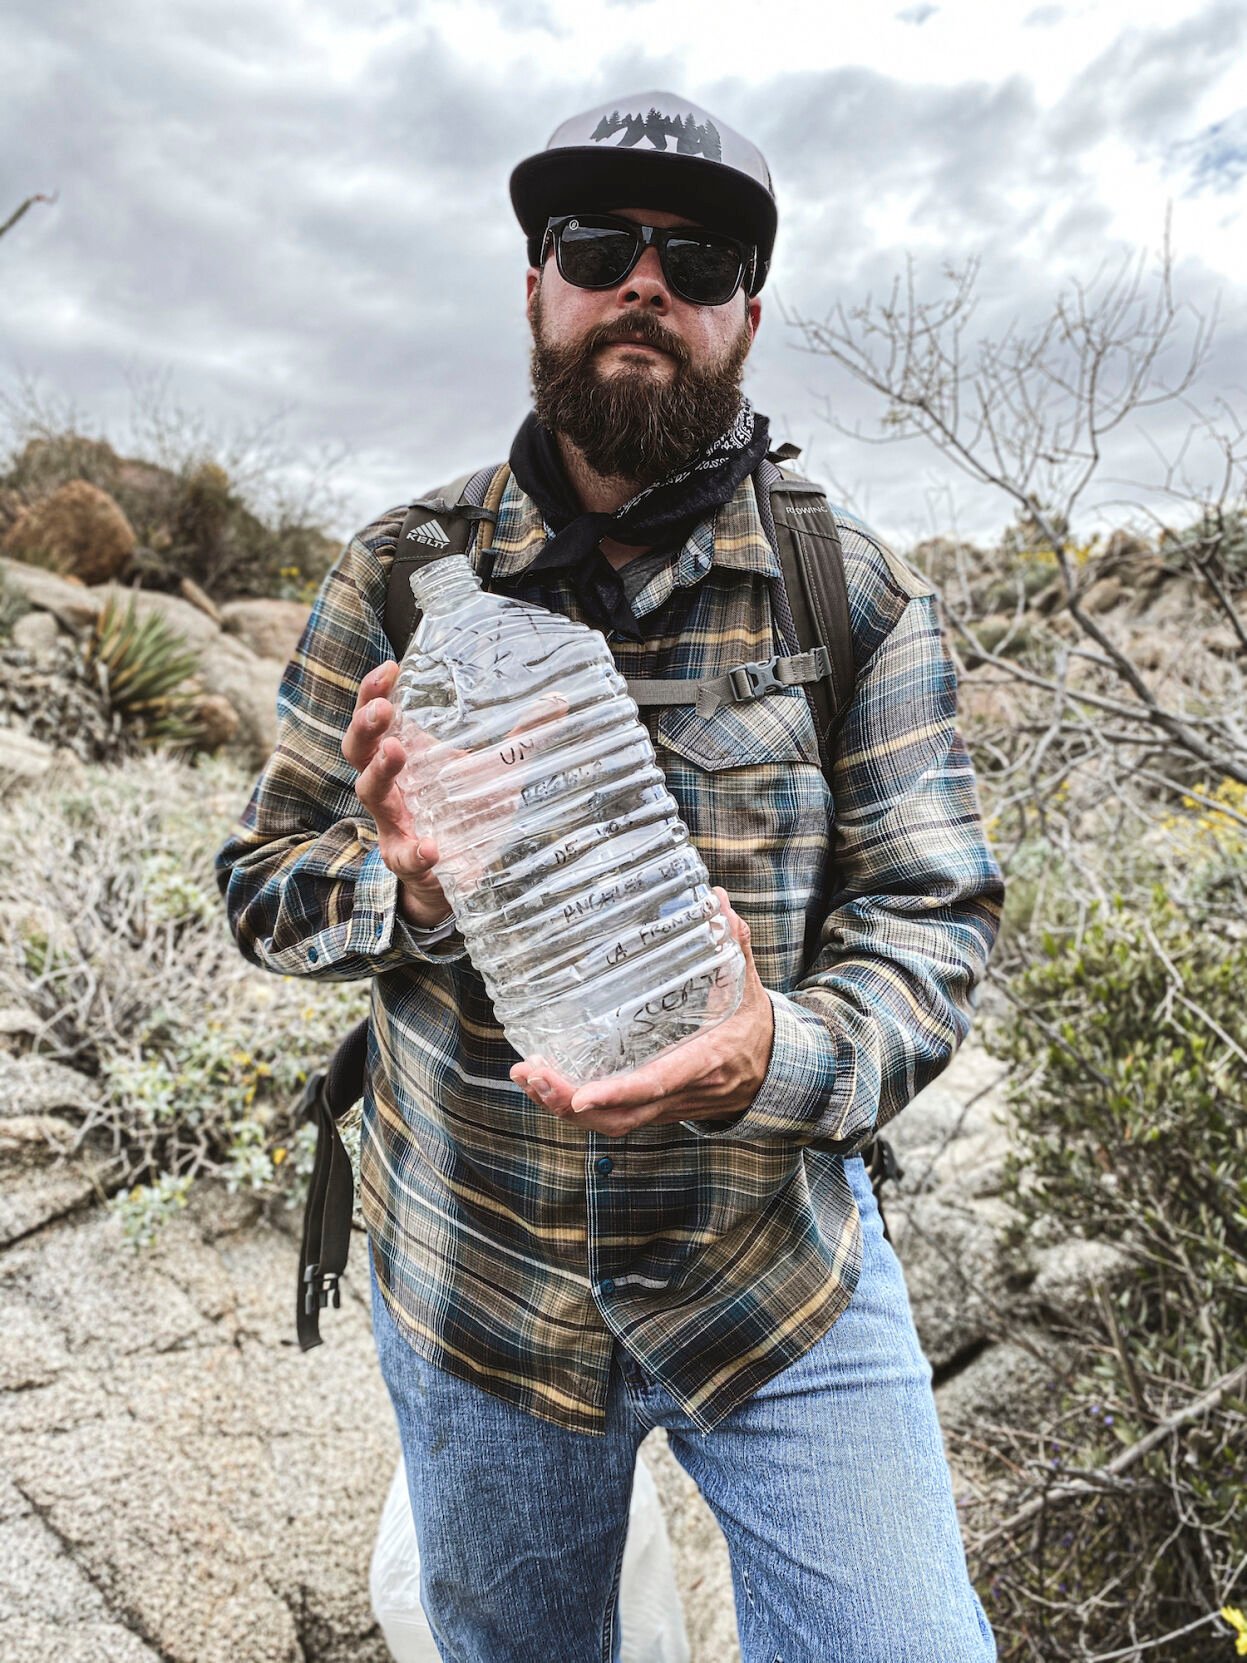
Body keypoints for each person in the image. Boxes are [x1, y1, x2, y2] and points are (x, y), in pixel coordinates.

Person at [216, 90, 1004, 1663]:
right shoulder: (395, 581)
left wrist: (771, 1056)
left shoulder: (849, 593)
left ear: (744, 319)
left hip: (772, 1275)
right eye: (597, 243)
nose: (645, 281)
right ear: (538, 287)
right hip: (480, 1295)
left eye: (696, 258)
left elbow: (933, 924)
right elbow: (259, 887)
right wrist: (405, 886)